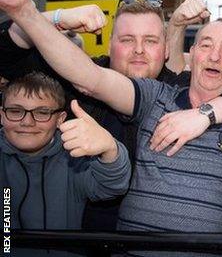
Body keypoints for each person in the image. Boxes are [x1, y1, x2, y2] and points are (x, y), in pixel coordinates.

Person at [0, 0, 222, 233]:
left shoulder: (177, 87)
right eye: (127, 40)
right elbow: (83, 76)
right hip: (83, 238)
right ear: (108, 44)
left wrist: (205, 114)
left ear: (166, 51)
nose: (138, 50)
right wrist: (43, 14)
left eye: (150, 41)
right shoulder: (137, 92)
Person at [0, 72, 130, 229]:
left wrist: (110, 148)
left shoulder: (73, 159)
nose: (27, 122)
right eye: (15, 111)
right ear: (2, 115)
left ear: (60, 119)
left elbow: (112, 187)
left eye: (42, 112)